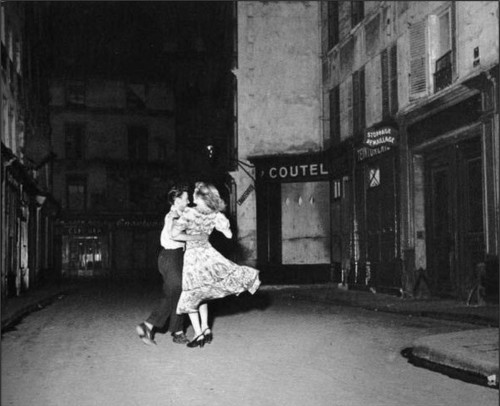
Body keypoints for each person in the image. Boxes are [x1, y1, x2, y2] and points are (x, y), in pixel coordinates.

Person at [172, 181, 261, 348]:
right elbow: (228, 235)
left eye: (195, 193)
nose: (192, 196)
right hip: (208, 254)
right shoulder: (215, 214)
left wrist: (194, 237)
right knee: (204, 292)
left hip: (193, 257)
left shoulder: (189, 213)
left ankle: (198, 333)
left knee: (192, 294)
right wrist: (217, 228)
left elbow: (174, 234)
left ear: (200, 197)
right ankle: (206, 328)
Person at [136, 185, 207, 346]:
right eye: (185, 198)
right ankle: (177, 331)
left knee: (174, 293)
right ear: (177, 200)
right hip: (171, 256)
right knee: (180, 290)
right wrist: (197, 237)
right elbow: (176, 235)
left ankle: (148, 326)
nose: (188, 201)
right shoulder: (173, 216)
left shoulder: (180, 214)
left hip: (174, 257)